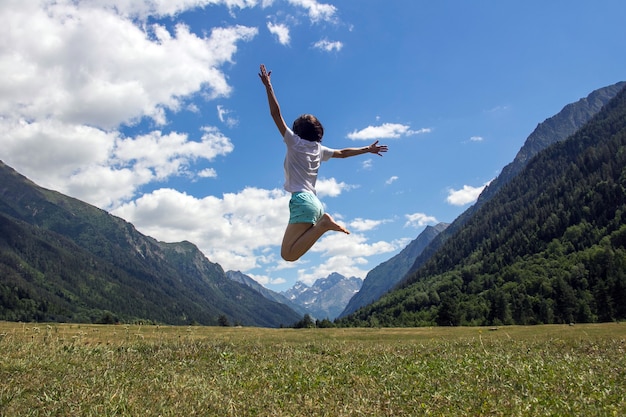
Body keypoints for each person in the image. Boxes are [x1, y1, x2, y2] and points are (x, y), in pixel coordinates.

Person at [259, 64, 388, 262]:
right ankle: (323, 224)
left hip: (302, 200)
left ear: (297, 131)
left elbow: (276, 115)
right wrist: (367, 149)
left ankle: (323, 225)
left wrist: (269, 86)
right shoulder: (318, 149)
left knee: (287, 255)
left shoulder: (294, 142)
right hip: (315, 203)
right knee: (290, 253)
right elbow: (343, 153)